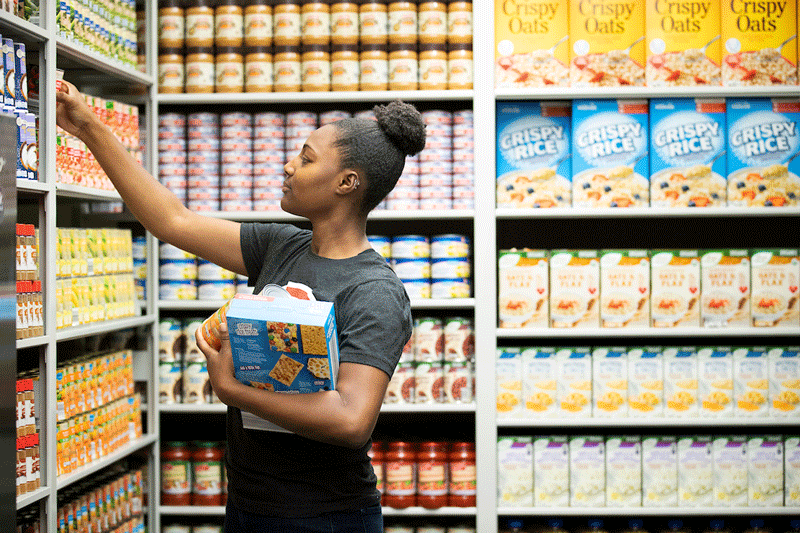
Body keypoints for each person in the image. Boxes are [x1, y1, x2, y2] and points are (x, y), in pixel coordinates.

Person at [56, 81, 426, 532]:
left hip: (323, 516)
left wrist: (233, 391)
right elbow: (173, 221)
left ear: (347, 183)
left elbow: (351, 420)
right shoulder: (280, 246)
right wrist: (89, 127)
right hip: (249, 506)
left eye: (307, 159)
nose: (289, 166)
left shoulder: (374, 291)